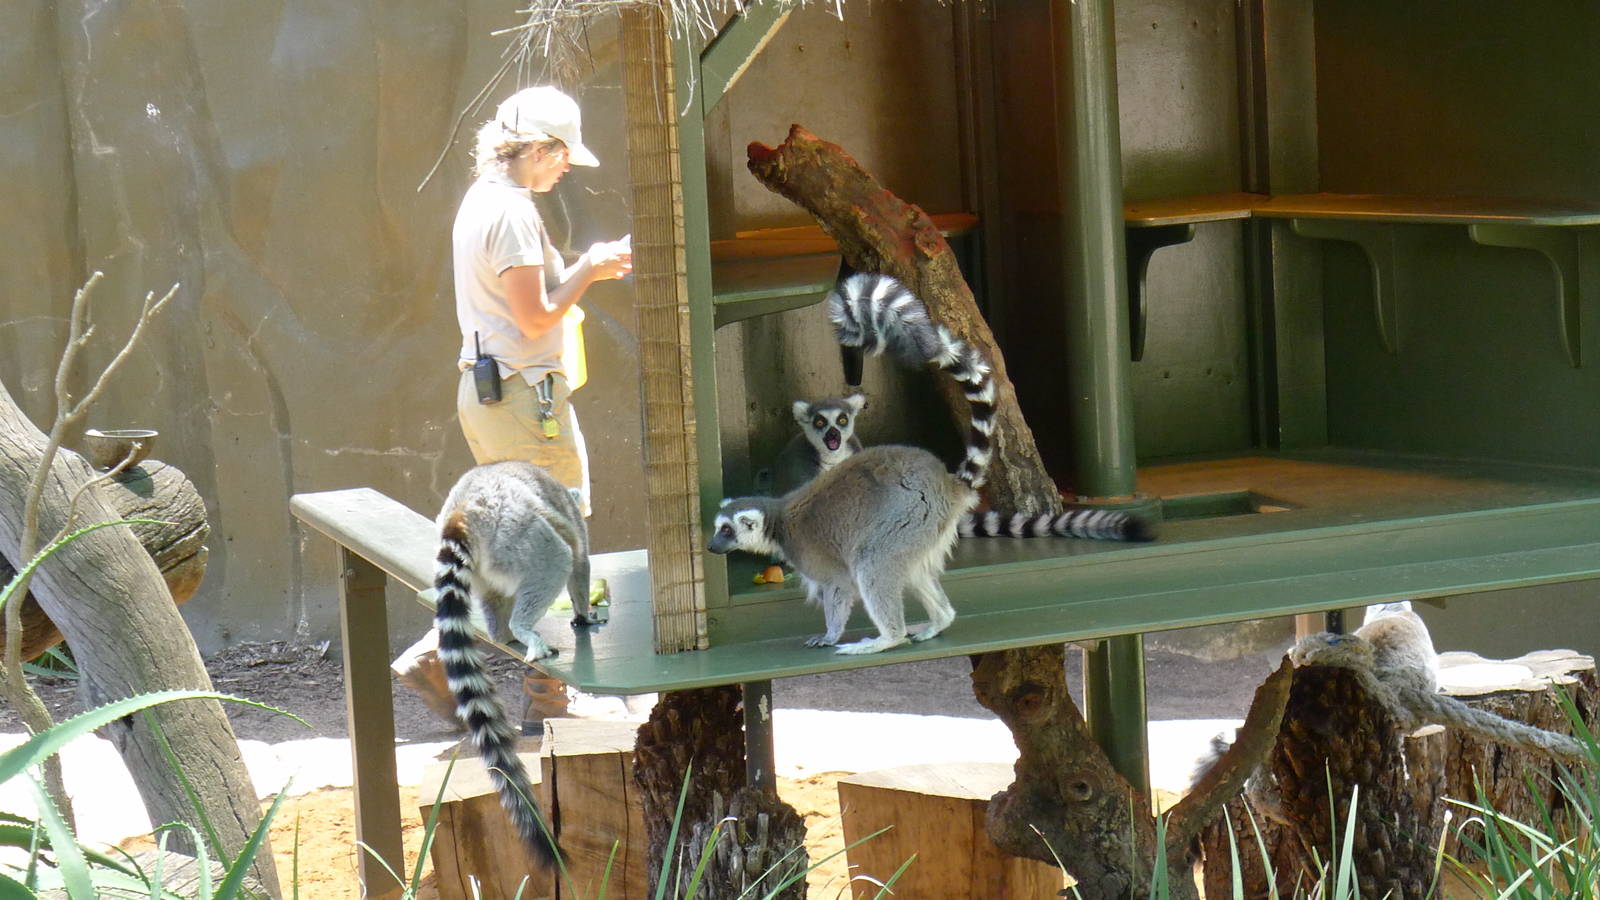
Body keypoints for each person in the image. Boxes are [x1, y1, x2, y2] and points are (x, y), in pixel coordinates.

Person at [395, 85, 631, 731]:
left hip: (497, 393)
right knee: (554, 539)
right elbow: (535, 317)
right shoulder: (513, 214)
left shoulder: (484, 200)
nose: (566, 167)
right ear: (540, 148)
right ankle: (549, 697)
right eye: (564, 154)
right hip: (526, 396)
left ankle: (440, 655)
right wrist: (590, 268)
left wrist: (585, 268)